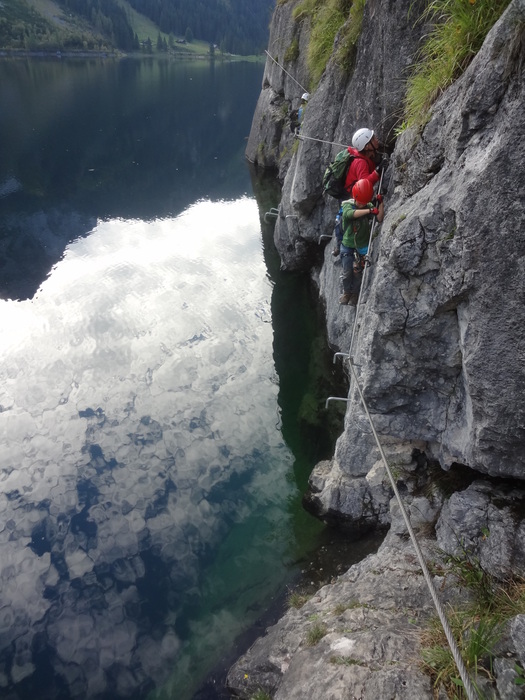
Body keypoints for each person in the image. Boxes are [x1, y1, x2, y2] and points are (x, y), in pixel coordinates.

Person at [332, 127, 387, 257]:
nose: (376, 138)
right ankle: (343, 246)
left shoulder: (363, 155)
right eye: (373, 138)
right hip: (352, 197)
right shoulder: (360, 162)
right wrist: (377, 173)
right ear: (367, 146)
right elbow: (364, 184)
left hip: (352, 193)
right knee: (349, 224)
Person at [339, 178, 384, 306]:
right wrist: (369, 210)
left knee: (358, 272)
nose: (361, 205)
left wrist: (380, 203)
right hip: (348, 244)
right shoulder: (348, 205)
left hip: (362, 245)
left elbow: (379, 218)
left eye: (364, 203)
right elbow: (349, 214)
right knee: (347, 272)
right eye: (359, 202)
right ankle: (347, 292)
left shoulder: (367, 205)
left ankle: (355, 294)